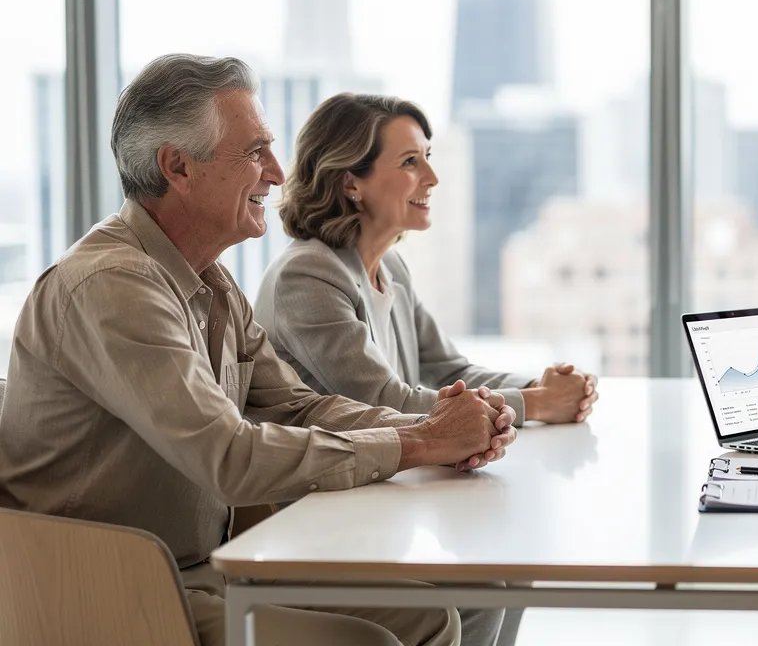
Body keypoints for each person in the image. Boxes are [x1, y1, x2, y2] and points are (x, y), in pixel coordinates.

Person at [0, 54, 516, 646]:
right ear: (178, 167)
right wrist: (422, 441)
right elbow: (231, 455)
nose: (277, 171)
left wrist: (439, 426)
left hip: (207, 566)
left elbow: (298, 406)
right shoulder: (112, 286)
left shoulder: (210, 282)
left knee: (439, 612)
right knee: (367, 641)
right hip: (100, 587)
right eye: (255, 152)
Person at [253, 92, 598, 424]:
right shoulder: (306, 275)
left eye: (427, 158)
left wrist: (541, 387)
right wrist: (538, 404)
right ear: (350, 183)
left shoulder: (390, 267)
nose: (432, 179)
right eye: (409, 162)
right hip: (325, 483)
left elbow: (450, 371)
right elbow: (387, 402)